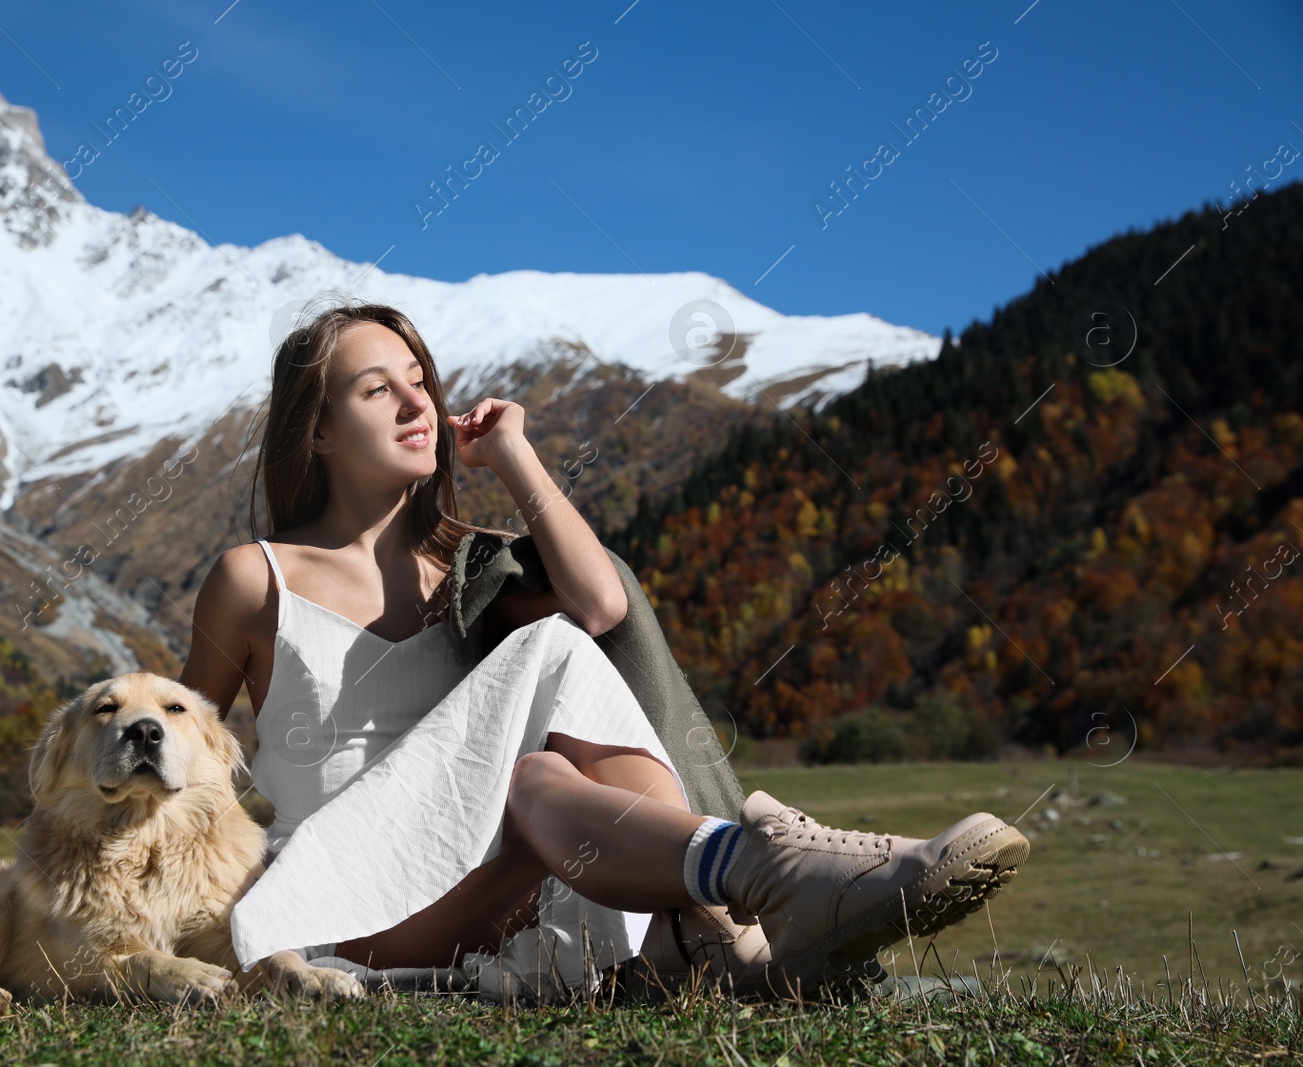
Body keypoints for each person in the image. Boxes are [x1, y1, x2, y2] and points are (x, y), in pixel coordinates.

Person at [178, 298, 1029, 1001]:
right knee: (549, 656)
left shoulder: (469, 567)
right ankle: (768, 879)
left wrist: (512, 454)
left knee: (543, 775)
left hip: (471, 878)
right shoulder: (257, 579)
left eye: (421, 383)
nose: (417, 406)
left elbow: (603, 605)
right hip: (339, 904)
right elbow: (179, 762)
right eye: (376, 390)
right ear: (317, 431)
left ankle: (724, 927)